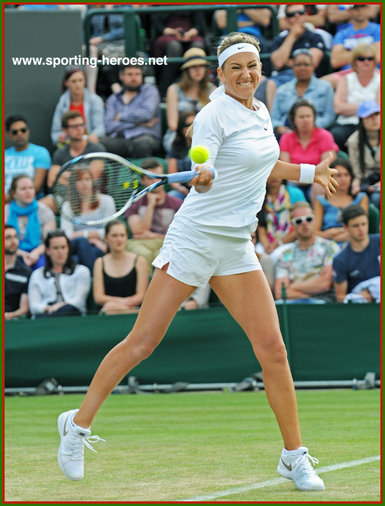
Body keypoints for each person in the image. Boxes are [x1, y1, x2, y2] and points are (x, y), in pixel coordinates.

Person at [57, 32, 338, 491]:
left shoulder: (260, 109)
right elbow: (203, 169)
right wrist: (203, 176)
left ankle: (294, 456)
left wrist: (310, 173)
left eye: (252, 65)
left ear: (260, 69)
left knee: (273, 350)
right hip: (196, 239)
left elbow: (264, 164)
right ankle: (76, 426)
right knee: (141, 343)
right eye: (236, 68)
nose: (246, 74)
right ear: (220, 74)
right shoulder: (211, 116)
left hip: (236, 244)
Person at [274, 201, 340, 303]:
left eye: (309, 219)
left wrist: (293, 286)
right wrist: (308, 295)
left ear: (314, 220)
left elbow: (325, 284)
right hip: (295, 305)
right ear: (292, 224)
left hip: (323, 305)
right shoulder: (285, 254)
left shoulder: (330, 247)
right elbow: (280, 293)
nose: (304, 224)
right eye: (299, 221)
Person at [124, 159, 183, 269]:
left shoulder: (177, 204)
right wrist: (150, 205)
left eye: (159, 177)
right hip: (140, 244)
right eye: (151, 178)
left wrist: (154, 236)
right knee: (143, 255)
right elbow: (138, 232)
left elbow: (180, 237)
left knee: (164, 256)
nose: (156, 181)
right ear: (143, 181)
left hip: (165, 243)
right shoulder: (135, 203)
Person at [279, 99, 338, 203]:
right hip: (294, 180)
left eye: (308, 116)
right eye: (301, 117)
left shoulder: (325, 136)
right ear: (294, 119)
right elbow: (285, 167)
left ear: (314, 118)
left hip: (317, 179)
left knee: (319, 186)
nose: (305, 120)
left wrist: (311, 177)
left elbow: (326, 164)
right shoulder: (286, 138)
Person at [267, 5, 325, 106]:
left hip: (308, 78)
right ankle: (274, 121)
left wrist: (288, 61)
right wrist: (292, 36)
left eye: (301, 12)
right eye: (292, 14)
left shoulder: (315, 36)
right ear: (286, 19)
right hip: (282, 77)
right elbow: (278, 62)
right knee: (269, 84)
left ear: (306, 15)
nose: (297, 16)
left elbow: (311, 63)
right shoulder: (280, 39)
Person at [60, 168, 116, 271]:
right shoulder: (67, 206)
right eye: (79, 180)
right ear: (73, 185)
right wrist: (93, 239)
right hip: (76, 247)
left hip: (101, 247)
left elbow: (111, 232)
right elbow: (67, 236)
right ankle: (96, 277)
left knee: (76, 260)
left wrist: (82, 234)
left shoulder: (107, 201)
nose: (84, 183)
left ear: (92, 182)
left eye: (87, 179)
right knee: (81, 242)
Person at [270, 49, 335, 137]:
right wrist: (279, 127)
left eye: (306, 64)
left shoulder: (325, 87)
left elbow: (329, 116)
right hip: (286, 133)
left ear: (313, 66)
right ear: (292, 66)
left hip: (315, 132)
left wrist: (310, 127)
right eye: (298, 65)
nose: (302, 68)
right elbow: (274, 118)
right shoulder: (282, 89)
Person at [101, 65, 161, 158]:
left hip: (144, 136)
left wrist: (120, 117)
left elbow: (146, 114)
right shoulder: (113, 99)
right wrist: (138, 124)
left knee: (142, 145)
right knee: (100, 143)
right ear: (121, 76)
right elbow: (109, 125)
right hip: (120, 139)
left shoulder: (150, 91)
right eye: (130, 74)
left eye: (137, 74)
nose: (134, 78)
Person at [28, 230, 91, 317]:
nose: (60, 251)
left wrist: (60, 306)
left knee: (70, 309)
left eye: (63, 247)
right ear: (47, 250)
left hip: (72, 316)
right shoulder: (37, 275)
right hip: (45, 317)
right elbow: (34, 307)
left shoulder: (81, 271)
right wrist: (49, 309)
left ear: (68, 249)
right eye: (55, 248)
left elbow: (79, 302)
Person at [164, 48, 215, 155]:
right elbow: (173, 125)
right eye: (193, 67)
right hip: (179, 136)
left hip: (205, 135)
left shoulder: (212, 90)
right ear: (187, 70)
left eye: (201, 66)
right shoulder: (174, 90)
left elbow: (213, 122)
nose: (198, 70)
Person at [330, 43, 380, 151]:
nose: (366, 62)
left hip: (374, 124)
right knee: (335, 135)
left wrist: (350, 108)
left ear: (375, 60)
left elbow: (379, 109)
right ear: (354, 61)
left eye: (370, 58)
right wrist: (368, 109)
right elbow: (338, 107)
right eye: (361, 58)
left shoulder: (380, 79)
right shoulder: (345, 79)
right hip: (347, 123)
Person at [93, 220, 149, 315]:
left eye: (122, 235)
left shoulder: (140, 261)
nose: (119, 239)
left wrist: (117, 305)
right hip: (108, 312)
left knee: (110, 307)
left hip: (135, 313)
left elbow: (141, 296)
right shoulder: (99, 262)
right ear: (106, 238)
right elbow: (98, 297)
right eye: (114, 236)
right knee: (109, 307)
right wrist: (120, 303)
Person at [4, 175, 56, 269]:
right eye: (23, 189)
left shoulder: (45, 211)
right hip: (11, 253)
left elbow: (50, 242)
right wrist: (21, 254)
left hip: (39, 254)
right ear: (14, 193)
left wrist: (35, 253)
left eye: (31, 188)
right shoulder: (5, 212)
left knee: (44, 264)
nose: (28, 191)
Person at [151, 11, 207, 98]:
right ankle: (165, 90)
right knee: (174, 47)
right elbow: (156, 22)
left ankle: (198, 91)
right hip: (167, 33)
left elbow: (199, 23)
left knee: (197, 46)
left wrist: (193, 31)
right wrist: (169, 31)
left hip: (190, 33)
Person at [314, 158, 369, 245]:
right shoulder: (321, 200)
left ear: (351, 177)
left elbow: (362, 226)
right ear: (330, 177)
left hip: (354, 242)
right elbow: (314, 232)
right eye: (339, 175)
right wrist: (327, 236)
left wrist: (339, 231)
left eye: (346, 175)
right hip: (327, 244)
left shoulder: (361, 198)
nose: (343, 179)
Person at [48, 111, 106, 192]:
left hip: (92, 197)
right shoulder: (60, 153)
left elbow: (93, 178)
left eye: (81, 125)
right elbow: (51, 181)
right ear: (65, 130)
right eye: (74, 126)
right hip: (63, 198)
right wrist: (82, 178)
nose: (79, 129)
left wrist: (64, 175)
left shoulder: (97, 149)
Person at [325, 5, 381, 89]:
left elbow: (378, 56)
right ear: (349, 11)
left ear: (368, 9)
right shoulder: (342, 33)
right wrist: (366, 51)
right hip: (349, 72)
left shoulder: (378, 29)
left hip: (373, 71)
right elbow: (335, 61)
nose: (360, 11)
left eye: (363, 8)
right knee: (324, 83)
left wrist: (348, 53)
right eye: (356, 8)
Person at [333, 205, 380, 304]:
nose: (361, 229)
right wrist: (359, 297)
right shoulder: (340, 260)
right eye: (355, 225)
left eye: (364, 224)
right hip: (361, 310)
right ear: (345, 228)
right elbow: (340, 298)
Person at [50, 67, 105, 146]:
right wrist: (59, 138)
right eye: (74, 81)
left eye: (80, 80)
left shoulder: (95, 101)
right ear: (66, 83)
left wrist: (93, 136)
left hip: (90, 144)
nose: (78, 84)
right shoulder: (62, 103)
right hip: (70, 145)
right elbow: (55, 132)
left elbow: (100, 128)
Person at [256, 174, 306, 260]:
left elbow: (301, 224)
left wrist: (278, 243)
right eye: (270, 173)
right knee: (259, 252)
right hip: (267, 242)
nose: (274, 176)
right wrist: (266, 245)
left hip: (292, 241)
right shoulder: (259, 196)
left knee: (277, 255)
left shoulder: (296, 194)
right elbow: (261, 226)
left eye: (277, 172)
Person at [5, 115, 51, 201]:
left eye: (23, 130)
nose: (20, 134)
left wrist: (10, 199)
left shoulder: (41, 152)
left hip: (30, 202)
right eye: (15, 132)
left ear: (28, 131)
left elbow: (36, 187)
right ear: (8, 134)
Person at [346, 101, 380, 209]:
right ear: (361, 120)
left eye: (377, 114)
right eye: (369, 116)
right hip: (367, 181)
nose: (374, 119)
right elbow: (357, 173)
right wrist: (356, 185)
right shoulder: (353, 141)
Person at [4, 224, 31, 320]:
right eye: (8, 237)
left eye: (15, 237)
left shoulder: (26, 272)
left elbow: (24, 309)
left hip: (12, 321)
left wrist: (8, 316)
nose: (13, 241)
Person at [166, 110, 195, 199]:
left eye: (195, 124)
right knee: (172, 196)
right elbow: (172, 176)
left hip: (201, 189)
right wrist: (180, 188)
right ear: (181, 128)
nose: (192, 128)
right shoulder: (175, 147)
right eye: (188, 125)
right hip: (183, 191)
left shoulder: (207, 145)